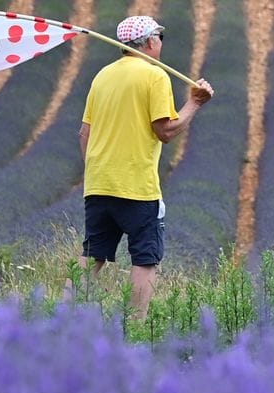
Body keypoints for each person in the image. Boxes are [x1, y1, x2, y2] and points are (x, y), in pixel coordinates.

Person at [76, 15, 213, 321]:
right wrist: (195, 104)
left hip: (98, 185)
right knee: (145, 258)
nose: (161, 43)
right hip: (136, 186)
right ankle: (135, 326)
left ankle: (62, 316)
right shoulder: (155, 77)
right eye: (159, 38)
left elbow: (84, 134)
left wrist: (97, 170)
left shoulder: (102, 76)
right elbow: (165, 130)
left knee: (91, 256)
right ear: (150, 42)